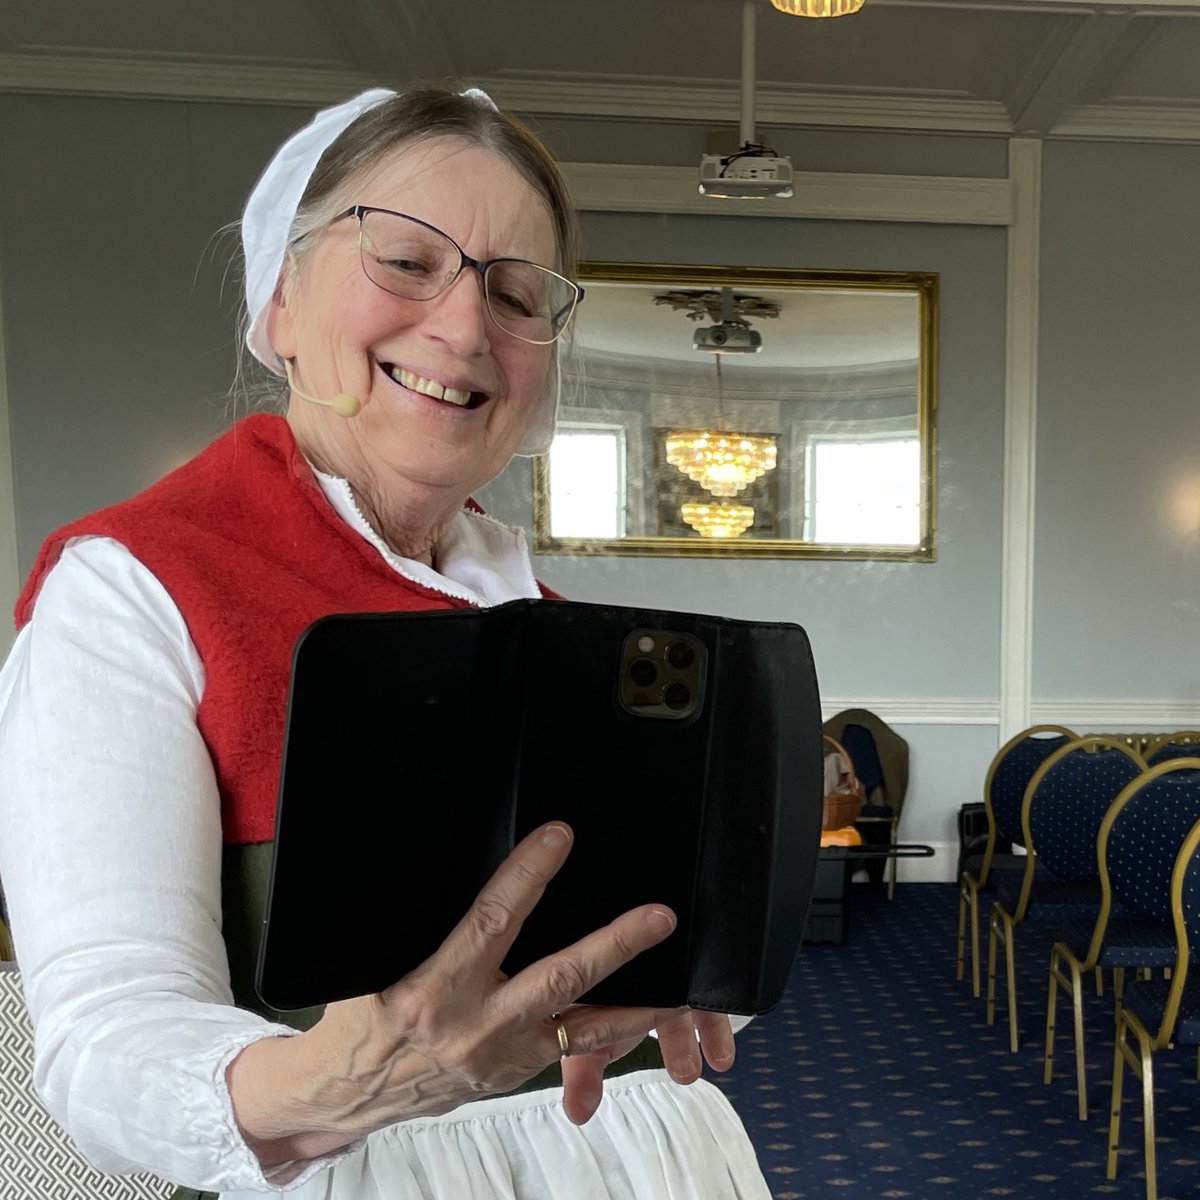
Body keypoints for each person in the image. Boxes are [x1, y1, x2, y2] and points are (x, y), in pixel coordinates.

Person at [0, 84, 772, 1200]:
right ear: (280, 306)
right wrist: (350, 1080)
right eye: (407, 262)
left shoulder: (550, 624)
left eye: (516, 293)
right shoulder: (133, 588)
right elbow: (103, 1047)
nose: (465, 327)